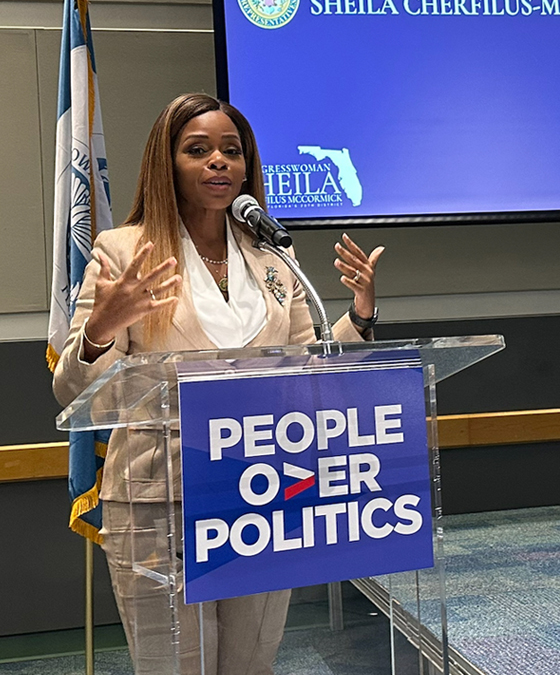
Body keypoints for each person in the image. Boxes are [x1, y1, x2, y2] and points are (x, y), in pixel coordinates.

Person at [52, 93, 385, 675]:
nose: (218, 163)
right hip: (162, 495)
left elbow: (309, 367)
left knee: (252, 660)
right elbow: (74, 390)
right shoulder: (124, 252)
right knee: (177, 666)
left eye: (232, 151)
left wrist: (358, 318)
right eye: (198, 150)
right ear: (167, 163)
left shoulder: (274, 257)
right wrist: (103, 325)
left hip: (263, 486)